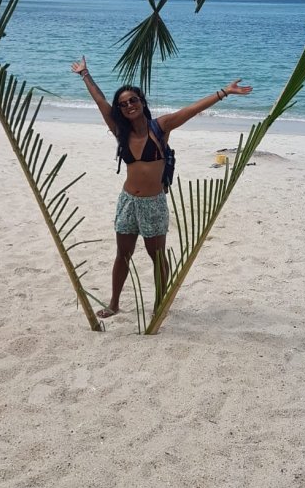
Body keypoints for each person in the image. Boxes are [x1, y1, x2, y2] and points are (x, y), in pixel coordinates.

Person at [71, 55, 252, 318]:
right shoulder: (121, 131)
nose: (129, 105)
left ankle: (159, 305)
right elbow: (100, 102)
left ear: (142, 102)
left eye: (133, 100)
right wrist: (85, 74)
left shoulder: (160, 127)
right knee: (122, 254)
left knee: (156, 257)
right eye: (123, 103)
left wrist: (224, 92)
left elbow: (190, 110)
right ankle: (114, 303)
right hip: (127, 201)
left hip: (153, 203)